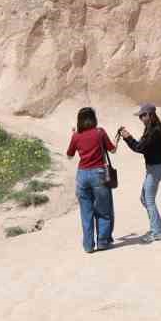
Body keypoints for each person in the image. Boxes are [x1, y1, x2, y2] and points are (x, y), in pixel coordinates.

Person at [65, 106, 116, 253]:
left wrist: (73, 136)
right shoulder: (100, 132)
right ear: (93, 118)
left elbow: (69, 156)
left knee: (86, 213)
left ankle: (88, 246)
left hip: (82, 175)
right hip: (98, 173)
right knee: (103, 211)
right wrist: (116, 141)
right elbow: (112, 150)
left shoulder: (76, 136)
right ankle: (102, 242)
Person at [117, 101, 161, 242]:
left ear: (150, 115)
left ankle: (158, 232)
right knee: (144, 198)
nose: (140, 118)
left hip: (155, 169)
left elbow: (139, 148)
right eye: (140, 116)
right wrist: (128, 137)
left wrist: (127, 137)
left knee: (149, 200)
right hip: (154, 169)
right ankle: (160, 227)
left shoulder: (154, 131)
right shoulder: (152, 129)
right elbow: (142, 147)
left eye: (142, 115)